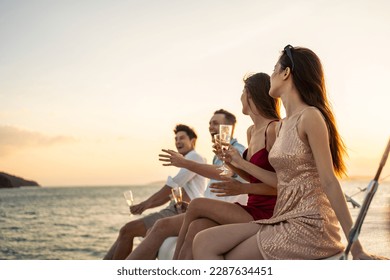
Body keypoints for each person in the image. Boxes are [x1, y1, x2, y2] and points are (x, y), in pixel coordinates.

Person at [192, 45, 380, 260]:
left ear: (286, 73)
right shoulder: (281, 126)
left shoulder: (310, 117)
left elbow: (329, 182)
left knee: (224, 254)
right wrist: (238, 162)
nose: (271, 76)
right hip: (283, 218)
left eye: (274, 69)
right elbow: (280, 181)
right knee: (204, 240)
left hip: (310, 224)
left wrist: (355, 246)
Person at [172, 72, 280, 259]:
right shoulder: (251, 132)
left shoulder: (273, 130)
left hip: (268, 212)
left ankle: (173, 266)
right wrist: (231, 161)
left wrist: (241, 186)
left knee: (196, 204)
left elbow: (282, 185)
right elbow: (249, 174)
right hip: (250, 207)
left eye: (243, 92)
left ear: (251, 95)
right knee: (197, 227)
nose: (240, 98)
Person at [126, 109, 247, 260]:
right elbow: (215, 189)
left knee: (159, 227)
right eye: (209, 123)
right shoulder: (218, 157)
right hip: (208, 210)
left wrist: (185, 163)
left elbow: (227, 172)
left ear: (228, 128)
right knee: (153, 229)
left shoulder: (238, 150)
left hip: (221, 214)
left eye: (215, 123)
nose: (210, 126)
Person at [103, 124, 207, 260]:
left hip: (180, 211)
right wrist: (143, 206)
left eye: (182, 138)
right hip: (173, 209)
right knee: (126, 232)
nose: (178, 142)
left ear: (192, 141)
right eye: (176, 139)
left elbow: (171, 185)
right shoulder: (187, 161)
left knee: (128, 230)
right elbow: (167, 196)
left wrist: (144, 204)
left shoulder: (194, 158)